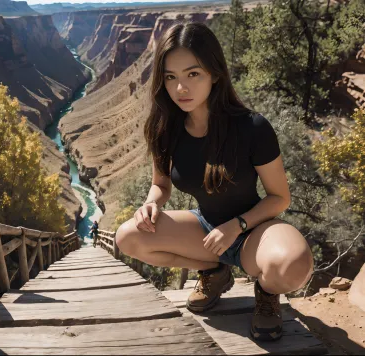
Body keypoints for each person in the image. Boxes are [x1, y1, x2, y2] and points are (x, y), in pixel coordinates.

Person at [115, 22, 313, 342]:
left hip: (254, 231)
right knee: (129, 237)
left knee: (294, 264)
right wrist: (151, 203)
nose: (181, 88)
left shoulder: (252, 128)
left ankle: (266, 292)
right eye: (171, 77)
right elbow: (161, 184)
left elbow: (279, 198)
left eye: (193, 74)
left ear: (215, 73)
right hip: (205, 230)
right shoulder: (164, 129)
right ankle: (214, 272)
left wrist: (238, 225)